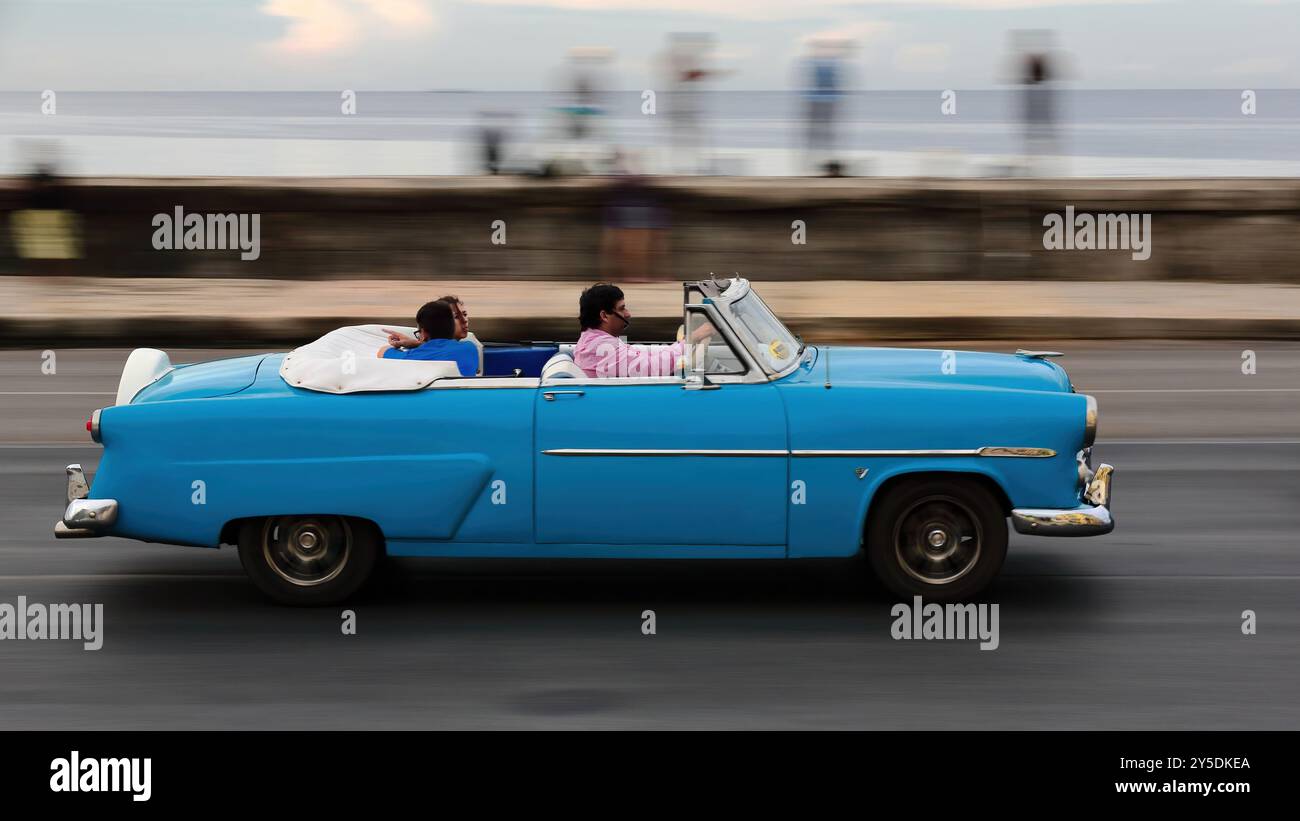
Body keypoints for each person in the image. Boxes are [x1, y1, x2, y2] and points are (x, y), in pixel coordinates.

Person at [573, 283, 711, 378]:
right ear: (604, 316)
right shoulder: (601, 349)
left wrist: (688, 340)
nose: (628, 314)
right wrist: (694, 338)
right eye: (622, 309)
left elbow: (643, 353)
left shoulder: (596, 340)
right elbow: (655, 367)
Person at [377, 300, 478, 376]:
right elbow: (441, 351)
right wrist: (417, 343)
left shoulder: (414, 357)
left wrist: (414, 345)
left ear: (424, 333)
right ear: (452, 328)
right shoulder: (470, 348)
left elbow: (382, 351)